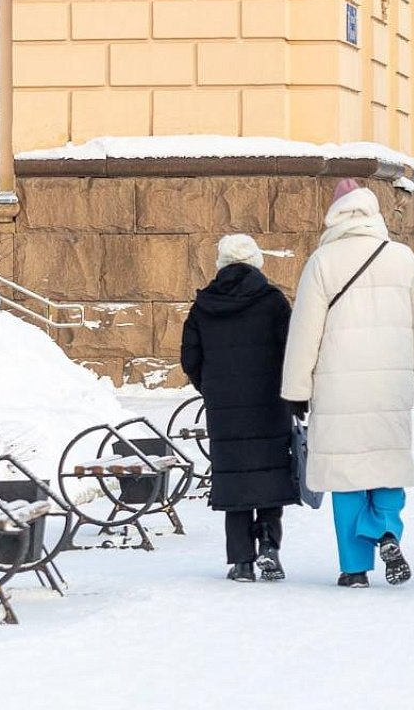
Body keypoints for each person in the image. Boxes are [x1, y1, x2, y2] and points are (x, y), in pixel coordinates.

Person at [281, 179, 414, 589]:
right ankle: (384, 528)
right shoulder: (402, 258)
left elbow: (304, 332)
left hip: (338, 388)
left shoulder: (322, 261)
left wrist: (296, 390)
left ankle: (354, 569)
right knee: (387, 463)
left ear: (334, 215)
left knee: (346, 475)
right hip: (390, 385)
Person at [180, 234, 299, 583]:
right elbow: (292, 350)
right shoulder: (273, 302)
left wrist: (211, 388)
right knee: (269, 475)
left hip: (225, 409)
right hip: (269, 403)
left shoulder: (204, 305)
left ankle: (242, 562)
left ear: (221, 263)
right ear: (256, 261)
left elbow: (190, 357)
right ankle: (269, 546)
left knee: (234, 482)